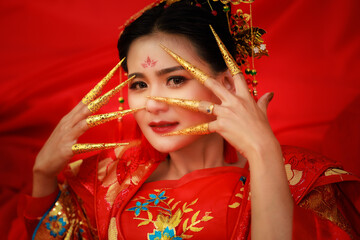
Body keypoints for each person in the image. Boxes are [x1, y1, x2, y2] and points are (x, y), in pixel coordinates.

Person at [21, 0, 360, 239]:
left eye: (176, 80)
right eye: (139, 84)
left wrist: (263, 153)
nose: (153, 104)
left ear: (226, 84)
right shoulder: (108, 179)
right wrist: (43, 172)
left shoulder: (301, 180)